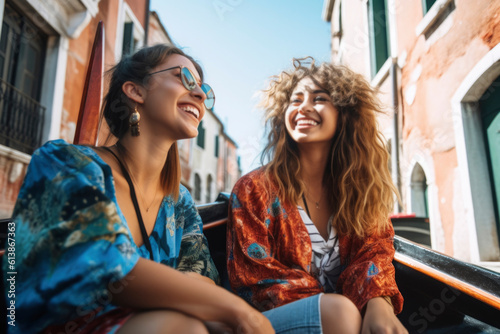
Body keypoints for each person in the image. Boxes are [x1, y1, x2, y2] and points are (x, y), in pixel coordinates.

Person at [3, 44, 273, 334]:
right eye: (184, 78)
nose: (200, 95)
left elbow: (200, 275)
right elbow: (105, 264)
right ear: (135, 91)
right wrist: (241, 312)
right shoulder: (65, 163)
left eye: (204, 89)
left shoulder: (178, 201)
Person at [227, 58, 408, 334]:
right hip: (266, 326)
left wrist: (378, 303)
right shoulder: (254, 189)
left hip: (347, 322)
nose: (303, 107)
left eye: (319, 98)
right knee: (341, 313)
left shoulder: (362, 188)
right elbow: (254, 281)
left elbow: (375, 251)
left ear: (345, 114)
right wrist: (339, 308)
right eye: (295, 99)